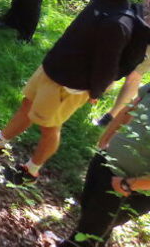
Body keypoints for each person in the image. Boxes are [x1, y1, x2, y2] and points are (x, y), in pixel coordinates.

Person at [0, 0, 150, 183]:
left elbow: (107, 64)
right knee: (27, 104)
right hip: (52, 68)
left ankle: (31, 170)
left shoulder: (117, 22)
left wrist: (95, 91)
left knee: (50, 127)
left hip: (69, 84)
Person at [59, 81, 150, 246]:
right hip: (106, 161)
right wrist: (105, 139)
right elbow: (129, 109)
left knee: (87, 235)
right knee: (88, 218)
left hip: (129, 187)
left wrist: (130, 184)